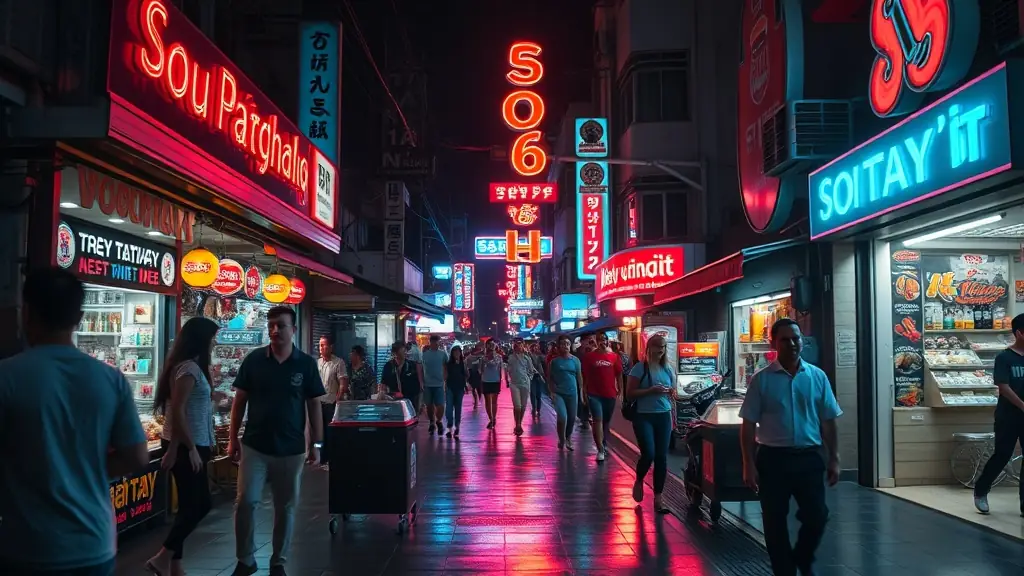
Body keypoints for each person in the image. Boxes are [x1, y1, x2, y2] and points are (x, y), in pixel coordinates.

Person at [0, 267, 149, 576]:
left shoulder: (7, 376)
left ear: (26, 313)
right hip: (93, 544)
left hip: (26, 546)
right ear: (79, 317)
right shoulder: (110, 379)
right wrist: (86, 470)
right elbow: (137, 456)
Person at [739, 318, 842, 576]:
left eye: (796, 338)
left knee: (817, 516)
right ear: (774, 343)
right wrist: (748, 464)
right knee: (774, 521)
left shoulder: (817, 377)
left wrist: (834, 458)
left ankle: (802, 557)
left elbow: (829, 421)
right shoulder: (761, 381)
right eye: (785, 339)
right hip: (773, 460)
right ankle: (784, 571)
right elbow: (748, 425)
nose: (793, 344)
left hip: (809, 457)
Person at [228, 306, 325, 576]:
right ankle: (245, 559)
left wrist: (317, 444)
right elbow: (239, 402)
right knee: (246, 501)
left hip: (291, 448)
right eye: (271, 325)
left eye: (280, 325)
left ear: (293, 330)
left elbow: (314, 405)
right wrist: (233, 438)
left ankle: (278, 561)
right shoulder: (254, 360)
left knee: (286, 507)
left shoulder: (305, 364)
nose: (274, 330)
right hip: (254, 445)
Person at [147, 317, 221, 576]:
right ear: (201, 339)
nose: (214, 343)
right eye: (211, 338)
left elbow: (184, 410)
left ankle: (174, 564)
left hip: (190, 441)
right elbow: (176, 410)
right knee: (199, 505)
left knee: (191, 504)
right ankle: (162, 557)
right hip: (191, 444)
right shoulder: (188, 369)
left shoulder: (190, 367)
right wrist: (186, 448)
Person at [974, 312, 1024, 516]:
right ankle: (981, 491)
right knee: (1002, 454)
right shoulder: (1004, 358)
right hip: (1008, 416)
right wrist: (1022, 406)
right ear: (1020, 333)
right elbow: (1003, 386)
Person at [625, 334, 676, 512]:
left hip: (664, 414)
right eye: (657, 347)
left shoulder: (668, 369)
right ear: (649, 348)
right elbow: (630, 393)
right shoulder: (640, 368)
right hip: (643, 415)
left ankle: (658, 498)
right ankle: (639, 480)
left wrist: (670, 392)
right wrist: (650, 390)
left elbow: (673, 394)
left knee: (661, 457)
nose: (660, 351)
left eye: (663, 347)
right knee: (649, 453)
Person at [582, 333, 622, 462]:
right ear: (595, 342)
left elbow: (619, 374)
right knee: (597, 420)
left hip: (610, 394)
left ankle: (603, 443)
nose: (602, 342)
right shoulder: (589, 357)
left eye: (604, 340)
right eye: (599, 340)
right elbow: (585, 376)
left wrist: (621, 389)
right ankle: (599, 449)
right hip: (594, 394)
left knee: (605, 422)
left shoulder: (614, 357)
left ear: (607, 341)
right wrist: (584, 392)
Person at [316, 335, 347, 470]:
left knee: (330, 433)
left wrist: (338, 400)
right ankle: (320, 457)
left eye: (324, 345)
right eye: (320, 345)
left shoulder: (338, 363)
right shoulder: (318, 363)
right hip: (318, 404)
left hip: (331, 404)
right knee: (318, 432)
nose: (321, 348)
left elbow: (343, 383)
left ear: (331, 347)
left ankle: (330, 459)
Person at [548, 335, 583, 450]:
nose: (565, 346)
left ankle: (568, 438)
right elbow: (550, 378)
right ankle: (561, 439)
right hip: (559, 393)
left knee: (572, 418)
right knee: (562, 417)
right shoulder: (554, 362)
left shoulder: (576, 360)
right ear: (558, 346)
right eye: (563, 344)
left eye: (568, 344)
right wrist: (552, 392)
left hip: (573, 393)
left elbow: (579, 377)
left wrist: (582, 393)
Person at [506, 338, 538, 436]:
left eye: (520, 345)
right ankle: (518, 424)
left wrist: (529, 378)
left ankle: (519, 423)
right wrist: (508, 379)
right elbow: (507, 369)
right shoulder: (511, 357)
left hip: (525, 384)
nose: (518, 347)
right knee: (517, 406)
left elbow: (531, 370)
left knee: (523, 407)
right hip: (514, 384)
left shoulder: (527, 358)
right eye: (516, 345)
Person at [419, 335, 448, 435]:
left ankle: (438, 420)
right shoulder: (425, 355)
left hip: (439, 384)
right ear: (430, 342)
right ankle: (432, 422)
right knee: (429, 405)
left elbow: (447, 366)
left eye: (437, 342)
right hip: (427, 384)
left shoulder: (443, 354)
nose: (436, 344)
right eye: (434, 342)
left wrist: (445, 379)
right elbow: (420, 369)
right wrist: (421, 381)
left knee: (440, 405)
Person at [382, 342, 420, 409]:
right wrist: (383, 394)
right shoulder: (388, 366)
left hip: (410, 401)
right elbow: (384, 383)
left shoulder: (412, 365)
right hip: (393, 400)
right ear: (395, 353)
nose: (405, 353)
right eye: (402, 351)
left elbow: (417, 385)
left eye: (405, 350)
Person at [444, 346, 470, 438]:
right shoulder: (448, 364)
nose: (456, 354)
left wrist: (464, 382)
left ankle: (457, 426)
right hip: (450, 387)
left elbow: (467, 374)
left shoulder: (463, 363)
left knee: (458, 408)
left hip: (460, 388)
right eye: (455, 352)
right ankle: (449, 425)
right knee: (449, 408)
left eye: (458, 352)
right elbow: (445, 376)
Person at [479, 340, 505, 429]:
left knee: (494, 402)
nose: (490, 348)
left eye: (492, 346)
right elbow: (480, 370)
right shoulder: (483, 358)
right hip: (486, 380)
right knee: (487, 402)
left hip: (495, 381)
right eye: (489, 346)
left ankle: (493, 418)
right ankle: (491, 419)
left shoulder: (499, 357)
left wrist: (502, 380)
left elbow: (500, 369)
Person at [575, 333, 597, 431]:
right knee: (582, 400)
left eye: (591, 339)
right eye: (588, 339)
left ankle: (589, 418)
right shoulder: (578, 351)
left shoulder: (594, 350)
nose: (589, 341)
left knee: (591, 399)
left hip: (593, 379)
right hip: (582, 378)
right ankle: (584, 419)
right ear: (582, 341)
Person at [529, 342, 547, 418]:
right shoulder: (529, 356)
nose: (535, 348)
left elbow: (544, 360)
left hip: (539, 376)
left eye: (536, 347)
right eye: (534, 347)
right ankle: (534, 408)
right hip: (532, 376)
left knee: (538, 394)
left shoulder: (540, 356)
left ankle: (538, 409)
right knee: (533, 393)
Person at [467, 343, 483, 408]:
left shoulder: (480, 357)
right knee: (474, 388)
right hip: (472, 373)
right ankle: (476, 400)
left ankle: (478, 399)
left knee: (478, 388)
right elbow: (468, 365)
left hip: (477, 373)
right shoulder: (469, 357)